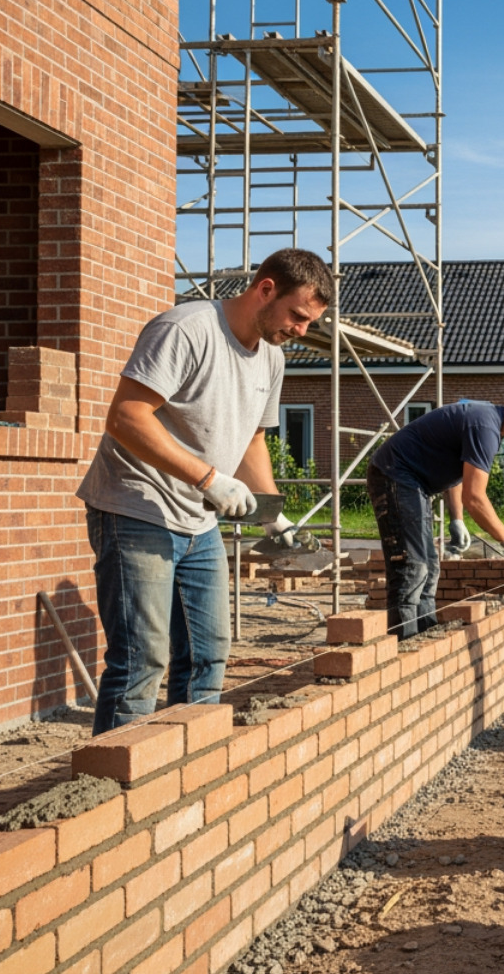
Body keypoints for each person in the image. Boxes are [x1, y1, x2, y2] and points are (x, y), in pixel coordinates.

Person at [77, 249, 333, 732]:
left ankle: (190, 760)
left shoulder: (271, 358)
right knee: (141, 659)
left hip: (198, 522)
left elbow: (252, 441)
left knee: (208, 653)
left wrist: (271, 514)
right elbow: (126, 417)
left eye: (309, 322)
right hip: (136, 508)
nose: (302, 330)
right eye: (298, 316)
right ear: (265, 289)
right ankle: (111, 773)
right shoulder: (186, 330)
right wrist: (209, 479)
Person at [366, 393, 504, 638]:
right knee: (411, 567)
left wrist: (457, 519)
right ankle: (405, 645)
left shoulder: (488, 424)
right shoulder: (485, 427)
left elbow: (457, 472)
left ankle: (425, 639)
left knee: (429, 567)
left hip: (413, 483)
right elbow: (475, 498)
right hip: (394, 473)